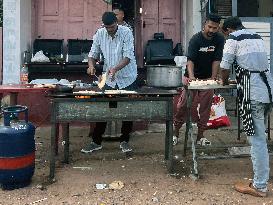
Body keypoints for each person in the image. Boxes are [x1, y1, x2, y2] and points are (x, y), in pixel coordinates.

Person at [220, 16, 273, 197]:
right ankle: (261, 179)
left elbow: (225, 66)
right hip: (267, 91)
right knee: (261, 137)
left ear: (227, 30)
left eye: (224, 33)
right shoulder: (257, 36)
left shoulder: (233, 39)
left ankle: (260, 186)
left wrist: (224, 81)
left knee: (257, 140)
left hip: (253, 93)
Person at [81, 12, 138, 154]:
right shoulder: (100, 33)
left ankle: (125, 141)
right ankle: (96, 141)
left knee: (127, 111)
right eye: (107, 27)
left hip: (127, 77)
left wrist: (115, 68)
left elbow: (128, 57)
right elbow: (92, 54)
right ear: (103, 26)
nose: (110, 29)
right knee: (103, 109)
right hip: (109, 79)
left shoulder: (126, 33)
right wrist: (91, 65)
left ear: (116, 23)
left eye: (112, 27)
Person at [173, 14, 225, 146]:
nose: (212, 30)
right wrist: (191, 78)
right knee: (183, 106)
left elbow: (216, 60)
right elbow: (190, 60)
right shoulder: (196, 39)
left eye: (215, 28)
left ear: (218, 28)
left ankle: (200, 136)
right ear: (204, 24)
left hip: (207, 79)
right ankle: (175, 133)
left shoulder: (219, 39)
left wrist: (213, 78)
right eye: (209, 27)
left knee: (206, 108)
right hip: (192, 77)